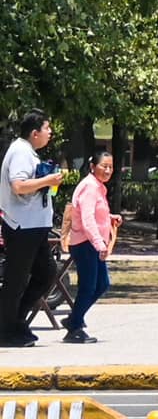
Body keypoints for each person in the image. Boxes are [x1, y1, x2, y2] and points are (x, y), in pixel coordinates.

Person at [0, 110, 65, 346]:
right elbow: (18, 185)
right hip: (21, 227)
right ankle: (6, 330)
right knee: (15, 281)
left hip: (34, 226)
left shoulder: (28, 152)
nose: (50, 133)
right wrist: (49, 180)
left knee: (47, 273)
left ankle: (16, 321)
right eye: (47, 128)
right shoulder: (20, 151)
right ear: (35, 132)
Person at [64, 152, 119, 344]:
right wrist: (99, 244)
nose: (108, 170)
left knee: (102, 284)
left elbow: (95, 214)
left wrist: (110, 217)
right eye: (104, 166)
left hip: (92, 243)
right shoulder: (89, 187)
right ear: (93, 166)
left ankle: (74, 319)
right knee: (88, 287)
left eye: (110, 167)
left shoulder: (98, 187)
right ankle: (74, 327)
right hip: (85, 243)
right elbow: (87, 219)